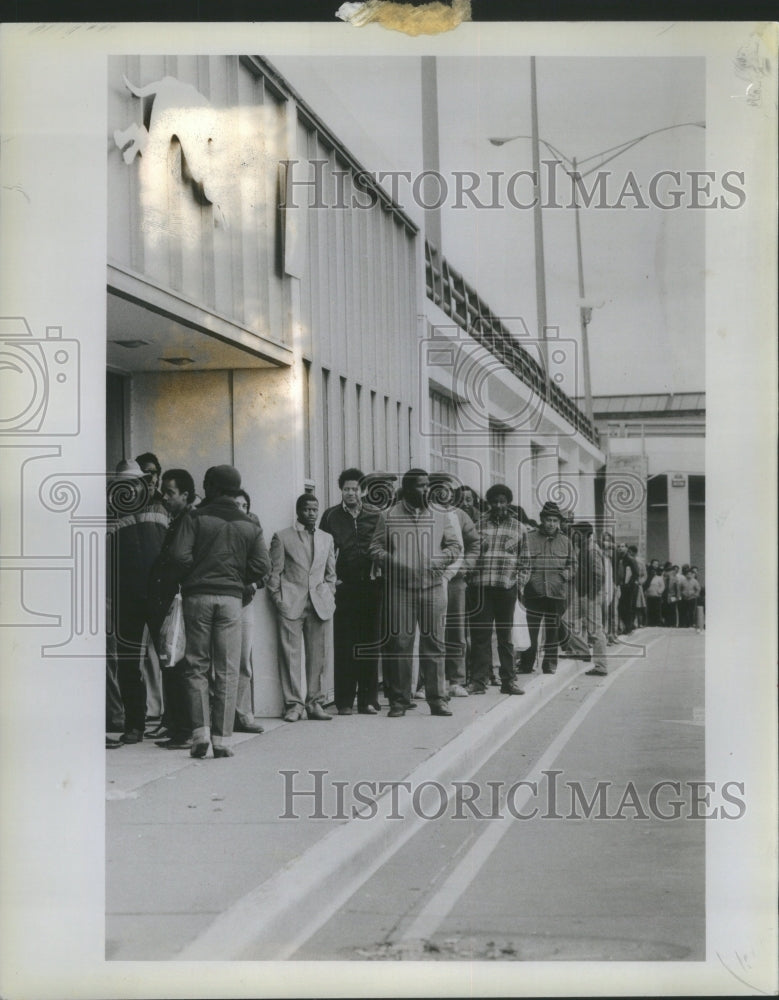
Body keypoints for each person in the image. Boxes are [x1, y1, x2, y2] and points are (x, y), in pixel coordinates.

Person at [170, 465, 270, 758]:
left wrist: (195, 573)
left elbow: (179, 556)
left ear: (213, 486)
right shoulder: (250, 524)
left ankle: (199, 733)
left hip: (197, 597)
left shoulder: (195, 517)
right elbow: (263, 566)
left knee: (196, 665)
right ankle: (223, 738)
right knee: (227, 668)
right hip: (231, 601)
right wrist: (238, 578)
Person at [369, 468, 462, 717]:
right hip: (400, 589)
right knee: (401, 644)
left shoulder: (441, 515)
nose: (426, 490)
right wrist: (394, 561)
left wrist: (440, 560)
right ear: (408, 488)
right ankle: (399, 701)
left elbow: (455, 546)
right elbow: (375, 548)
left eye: (427, 485)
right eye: (420, 486)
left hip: (432, 588)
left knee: (435, 644)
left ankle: (437, 700)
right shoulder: (389, 514)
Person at [105, 459, 168, 748]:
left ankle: (174, 722)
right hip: (125, 598)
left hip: (158, 595)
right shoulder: (109, 514)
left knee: (170, 660)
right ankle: (134, 725)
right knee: (130, 665)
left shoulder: (160, 508)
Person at [268, 494, 337, 723]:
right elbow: (274, 573)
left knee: (319, 655)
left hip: (319, 604)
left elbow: (330, 573)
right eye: (307, 509)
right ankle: (294, 705)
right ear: (298, 511)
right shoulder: (282, 537)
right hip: (291, 602)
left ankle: (315, 703)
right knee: (290, 655)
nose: (311, 513)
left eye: (315, 509)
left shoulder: (327, 538)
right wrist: (279, 599)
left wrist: (329, 596)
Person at [319, 468, 382, 716]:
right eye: (346, 489)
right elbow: (324, 549)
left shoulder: (376, 516)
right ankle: (344, 701)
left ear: (363, 490)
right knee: (345, 643)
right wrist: (332, 581)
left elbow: (384, 545)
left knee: (369, 643)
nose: (350, 493)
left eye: (355, 489)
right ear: (341, 490)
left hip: (371, 586)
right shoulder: (331, 516)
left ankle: (367, 700)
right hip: (343, 588)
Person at [146, 468, 197, 749]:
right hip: (169, 600)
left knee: (176, 665)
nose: (165, 497)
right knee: (172, 664)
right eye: (164, 492)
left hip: (174, 601)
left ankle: (184, 729)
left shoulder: (186, 520)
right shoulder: (178, 518)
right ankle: (177, 725)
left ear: (185, 495)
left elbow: (178, 559)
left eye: (171, 493)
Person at [467, 483, 528, 695]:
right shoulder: (477, 525)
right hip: (480, 588)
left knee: (506, 637)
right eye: (494, 501)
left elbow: (525, 561)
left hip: (506, 588)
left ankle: (508, 681)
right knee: (480, 637)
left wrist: (518, 584)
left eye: (502, 501)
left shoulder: (519, 528)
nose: (498, 505)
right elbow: (470, 554)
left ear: (508, 502)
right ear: (489, 503)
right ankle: (478, 681)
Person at [429, 474, 481, 699]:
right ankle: (427, 681)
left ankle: (457, 679)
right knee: (430, 630)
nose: (442, 494)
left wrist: (464, 568)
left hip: (455, 580)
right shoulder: (424, 514)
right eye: (437, 489)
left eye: (447, 490)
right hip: (428, 579)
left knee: (455, 629)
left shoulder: (459, 515)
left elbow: (474, 544)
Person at [517, 501, 575, 676]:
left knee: (552, 630)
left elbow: (573, 564)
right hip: (533, 591)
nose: (551, 523)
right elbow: (521, 561)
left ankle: (549, 664)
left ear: (558, 522)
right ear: (542, 520)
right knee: (531, 630)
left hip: (557, 593)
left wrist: (566, 574)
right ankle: (526, 664)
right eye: (548, 520)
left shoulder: (566, 541)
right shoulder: (529, 537)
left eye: (554, 520)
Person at [231, 489, 266, 735]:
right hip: (223, 597)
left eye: (244, 505)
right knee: (216, 662)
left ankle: (242, 714)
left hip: (245, 601)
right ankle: (217, 716)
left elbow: (266, 568)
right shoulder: (219, 528)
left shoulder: (254, 530)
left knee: (244, 660)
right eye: (235, 504)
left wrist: (254, 583)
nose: (240, 509)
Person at [569, 522, 609, 677]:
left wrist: (591, 595)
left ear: (584, 534)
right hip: (584, 594)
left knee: (595, 630)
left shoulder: (592, 550)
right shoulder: (584, 548)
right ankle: (582, 650)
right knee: (565, 620)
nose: (573, 535)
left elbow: (599, 575)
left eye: (575, 533)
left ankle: (601, 666)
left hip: (590, 595)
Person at [616, 542, 639, 635]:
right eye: (619, 547)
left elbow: (635, 573)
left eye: (622, 547)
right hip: (621, 585)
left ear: (626, 548)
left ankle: (628, 627)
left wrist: (629, 584)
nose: (620, 548)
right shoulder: (618, 558)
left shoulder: (630, 559)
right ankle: (625, 626)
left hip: (629, 586)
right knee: (621, 606)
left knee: (628, 606)